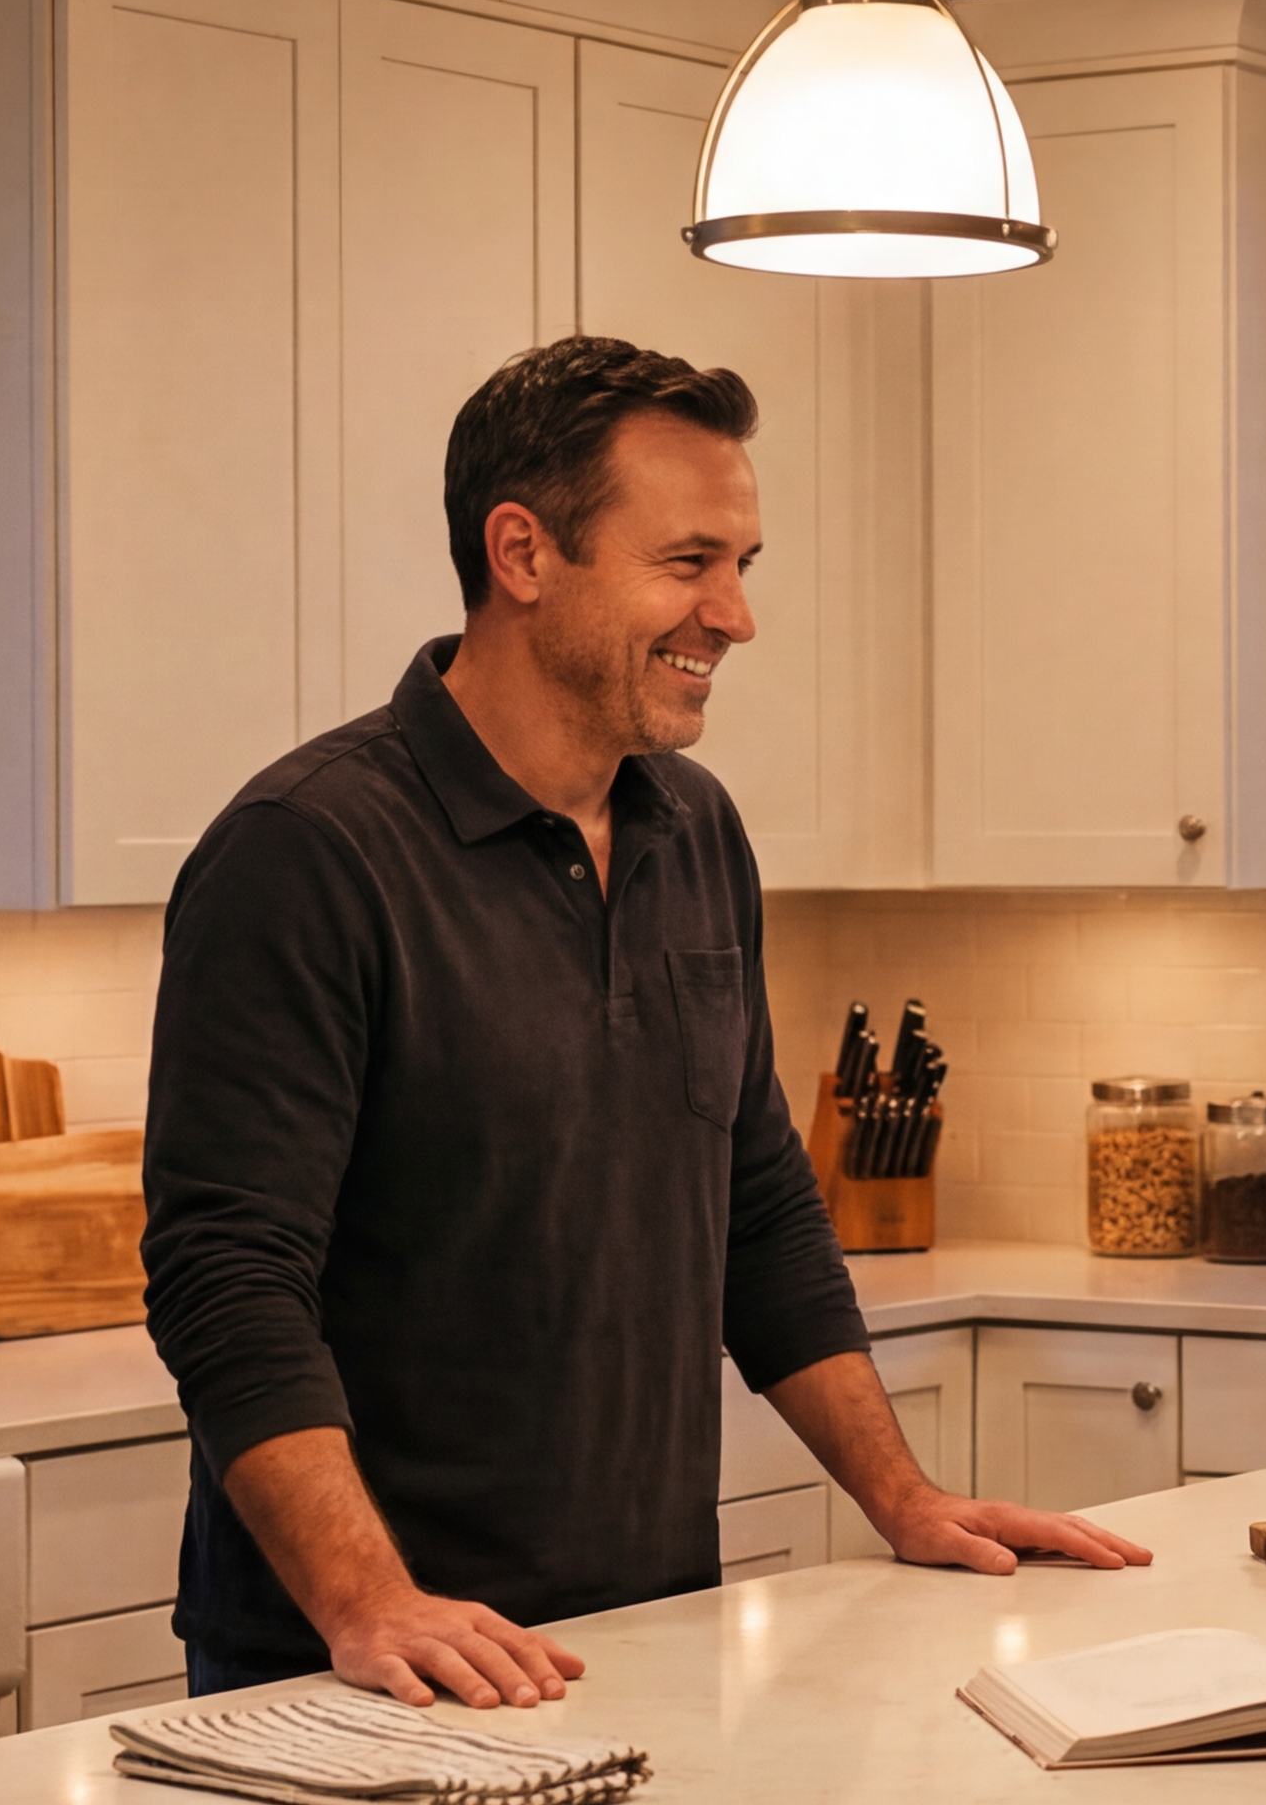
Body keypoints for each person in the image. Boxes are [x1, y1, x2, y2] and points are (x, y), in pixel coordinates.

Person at [143, 334, 1146, 1706]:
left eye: (743, 566)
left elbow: (755, 1202)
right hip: (366, 1668)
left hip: (648, 1631)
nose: (734, 616)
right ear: (521, 553)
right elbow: (227, 1279)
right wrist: (370, 1605)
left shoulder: (694, 830)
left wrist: (902, 1498)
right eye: (689, 564)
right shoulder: (306, 853)